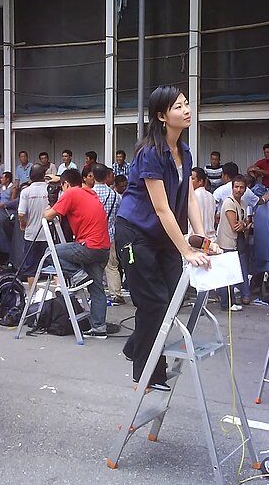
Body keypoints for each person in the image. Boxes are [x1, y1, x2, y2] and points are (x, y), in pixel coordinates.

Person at [116, 85, 218, 391]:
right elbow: (161, 208)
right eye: (178, 107)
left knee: (172, 297)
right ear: (162, 116)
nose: (186, 110)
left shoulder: (184, 151)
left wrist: (201, 238)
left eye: (186, 104)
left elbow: (187, 198)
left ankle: (135, 346)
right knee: (154, 303)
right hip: (135, 234)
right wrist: (186, 249)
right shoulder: (149, 153)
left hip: (164, 236)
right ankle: (147, 374)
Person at [44, 169, 110, 338]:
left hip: (88, 246)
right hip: (103, 248)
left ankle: (78, 275)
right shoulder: (89, 192)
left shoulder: (71, 193)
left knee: (50, 252)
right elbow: (72, 181)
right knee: (97, 289)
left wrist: (46, 210)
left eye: (61, 187)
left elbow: (50, 215)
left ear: (66, 185)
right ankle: (99, 328)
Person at [216, 175, 252, 310]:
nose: (238, 190)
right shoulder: (229, 203)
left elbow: (244, 223)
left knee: (233, 273)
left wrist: (244, 224)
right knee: (228, 274)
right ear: (232, 188)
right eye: (236, 187)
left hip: (238, 241)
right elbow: (235, 226)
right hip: (227, 242)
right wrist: (245, 225)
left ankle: (231, 302)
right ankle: (226, 304)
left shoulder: (242, 203)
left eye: (241, 187)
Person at [92, 163, 124, 305]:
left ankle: (95, 292)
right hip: (110, 234)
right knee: (112, 266)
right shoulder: (115, 196)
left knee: (92, 265)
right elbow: (120, 215)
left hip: (91, 235)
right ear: (106, 176)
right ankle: (116, 293)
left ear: (92, 176)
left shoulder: (88, 193)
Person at [18, 164, 49, 290]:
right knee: (53, 265)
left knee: (30, 267)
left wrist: (23, 224)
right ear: (43, 175)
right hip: (48, 235)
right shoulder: (50, 189)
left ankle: (34, 293)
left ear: (30, 176)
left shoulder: (26, 191)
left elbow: (21, 213)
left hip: (31, 235)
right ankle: (58, 291)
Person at [190, 167, 216, 241]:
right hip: (211, 239)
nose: (189, 181)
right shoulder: (211, 196)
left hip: (196, 240)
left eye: (192, 179)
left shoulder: (192, 197)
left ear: (200, 181)